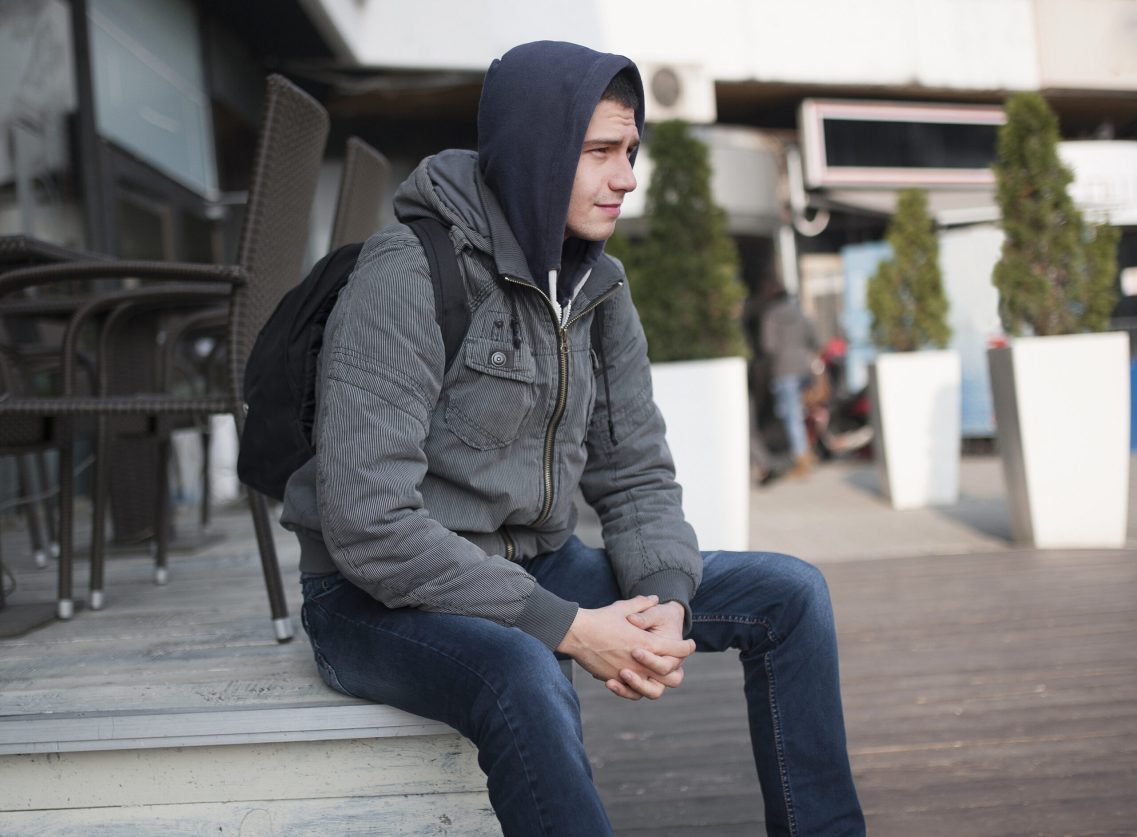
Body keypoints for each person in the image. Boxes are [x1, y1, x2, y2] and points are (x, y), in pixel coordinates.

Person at [281, 40, 864, 837]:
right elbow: (367, 524)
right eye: (598, 153)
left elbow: (635, 474)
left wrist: (666, 592)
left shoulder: (601, 288)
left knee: (788, 594)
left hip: (532, 562)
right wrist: (565, 626)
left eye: (629, 151)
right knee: (524, 665)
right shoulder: (407, 273)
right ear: (535, 151)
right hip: (373, 599)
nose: (626, 177)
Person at [761, 286, 820, 477]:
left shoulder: (771, 315)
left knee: (791, 415)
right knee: (801, 413)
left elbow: (768, 345)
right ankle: (807, 452)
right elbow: (815, 338)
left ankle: (802, 458)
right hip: (803, 367)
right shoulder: (801, 313)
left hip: (783, 369)